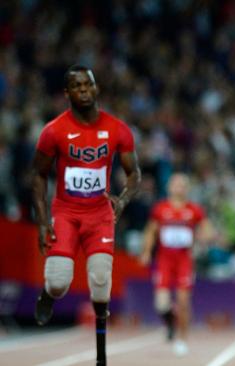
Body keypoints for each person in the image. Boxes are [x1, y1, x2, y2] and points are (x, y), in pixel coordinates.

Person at [32, 65, 141, 366]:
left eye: (87, 85)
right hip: (65, 212)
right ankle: (47, 295)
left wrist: (123, 199)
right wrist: (42, 221)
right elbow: (39, 175)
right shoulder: (53, 131)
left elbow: (134, 175)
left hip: (99, 215)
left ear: (96, 89)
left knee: (100, 278)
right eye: (76, 86)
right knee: (58, 281)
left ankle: (101, 356)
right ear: (67, 93)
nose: (83, 90)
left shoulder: (118, 129)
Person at [140, 173, 215, 356]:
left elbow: (207, 230)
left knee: (183, 301)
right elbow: (150, 231)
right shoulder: (160, 208)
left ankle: (182, 339)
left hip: (184, 260)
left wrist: (205, 237)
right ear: (169, 188)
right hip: (164, 260)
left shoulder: (194, 210)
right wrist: (146, 252)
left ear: (186, 189)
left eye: (182, 185)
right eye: (176, 185)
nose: (179, 188)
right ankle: (171, 323)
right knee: (161, 304)